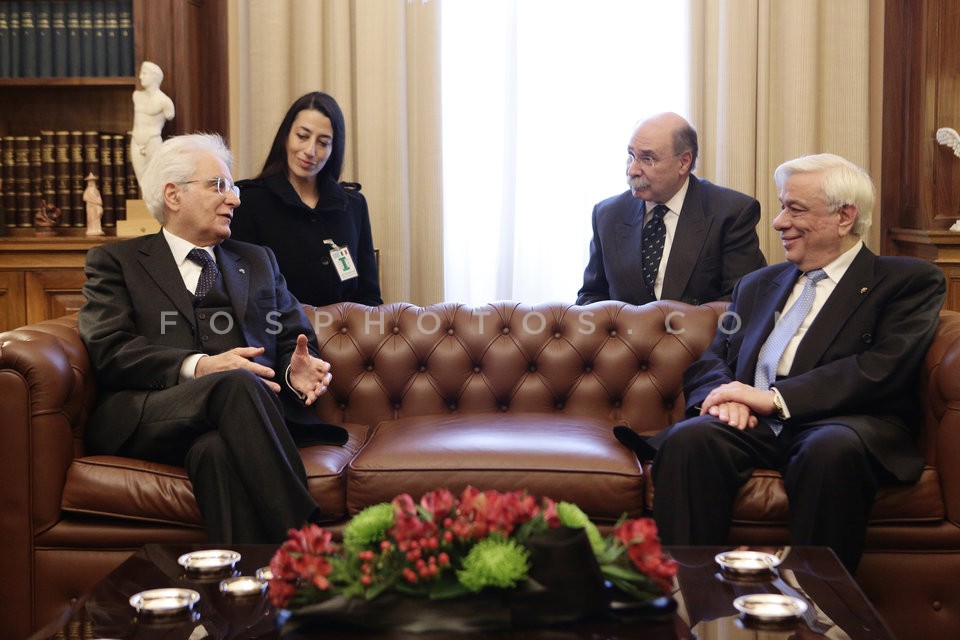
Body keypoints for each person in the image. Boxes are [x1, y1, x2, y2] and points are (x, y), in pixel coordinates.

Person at [616, 153, 946, 573]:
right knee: (691, 439)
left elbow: (883, 366)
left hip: (841, 422)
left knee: (830, 451)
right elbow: (714, 357)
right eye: (781, 206)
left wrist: (772, 399)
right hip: (752, 424)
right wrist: (724, 399)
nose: (778, 222)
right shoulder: (758, 284)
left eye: (795, 209)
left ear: (844, 217)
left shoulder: (907, 281)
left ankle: (819, 610)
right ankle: (691, 600)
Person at [78, 133, 348, 544]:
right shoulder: (118, 263)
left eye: (233, 187)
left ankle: (243, 592)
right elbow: (109, 348)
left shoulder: (257, 261)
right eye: (219, 185)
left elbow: (293, 335)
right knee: (235, 380)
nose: (235, 199)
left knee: (215, 453)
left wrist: (295, 374)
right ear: (173, 195)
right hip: (151, 413)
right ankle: (309, 544)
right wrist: (202, 366)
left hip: (238, 424)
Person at [577, 112, 766, 306]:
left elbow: (742, 302)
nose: (632, 170)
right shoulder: (608, 215)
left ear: (684, 162)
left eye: (647, 159)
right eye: (631, 156)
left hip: (699, 335)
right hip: (625, 336)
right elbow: (591, 296)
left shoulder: (731, 213)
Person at [231, 91, 382, 307]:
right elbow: (243, 294)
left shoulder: (353, 205)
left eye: (323, 142)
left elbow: (370, 296)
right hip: (277, 335)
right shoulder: (249, 200)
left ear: (333, 148)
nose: (310, 150)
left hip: (347, 337)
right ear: (286, 136)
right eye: (302, 136)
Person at [130, 61, 176, 187]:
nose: (140, 77)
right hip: (136, 140)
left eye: (144, 74)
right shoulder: (137, 96)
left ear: (154, 77)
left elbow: (170, 115)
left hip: (152, 140)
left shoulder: (165, 102)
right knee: (141, 181)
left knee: (155, 177)